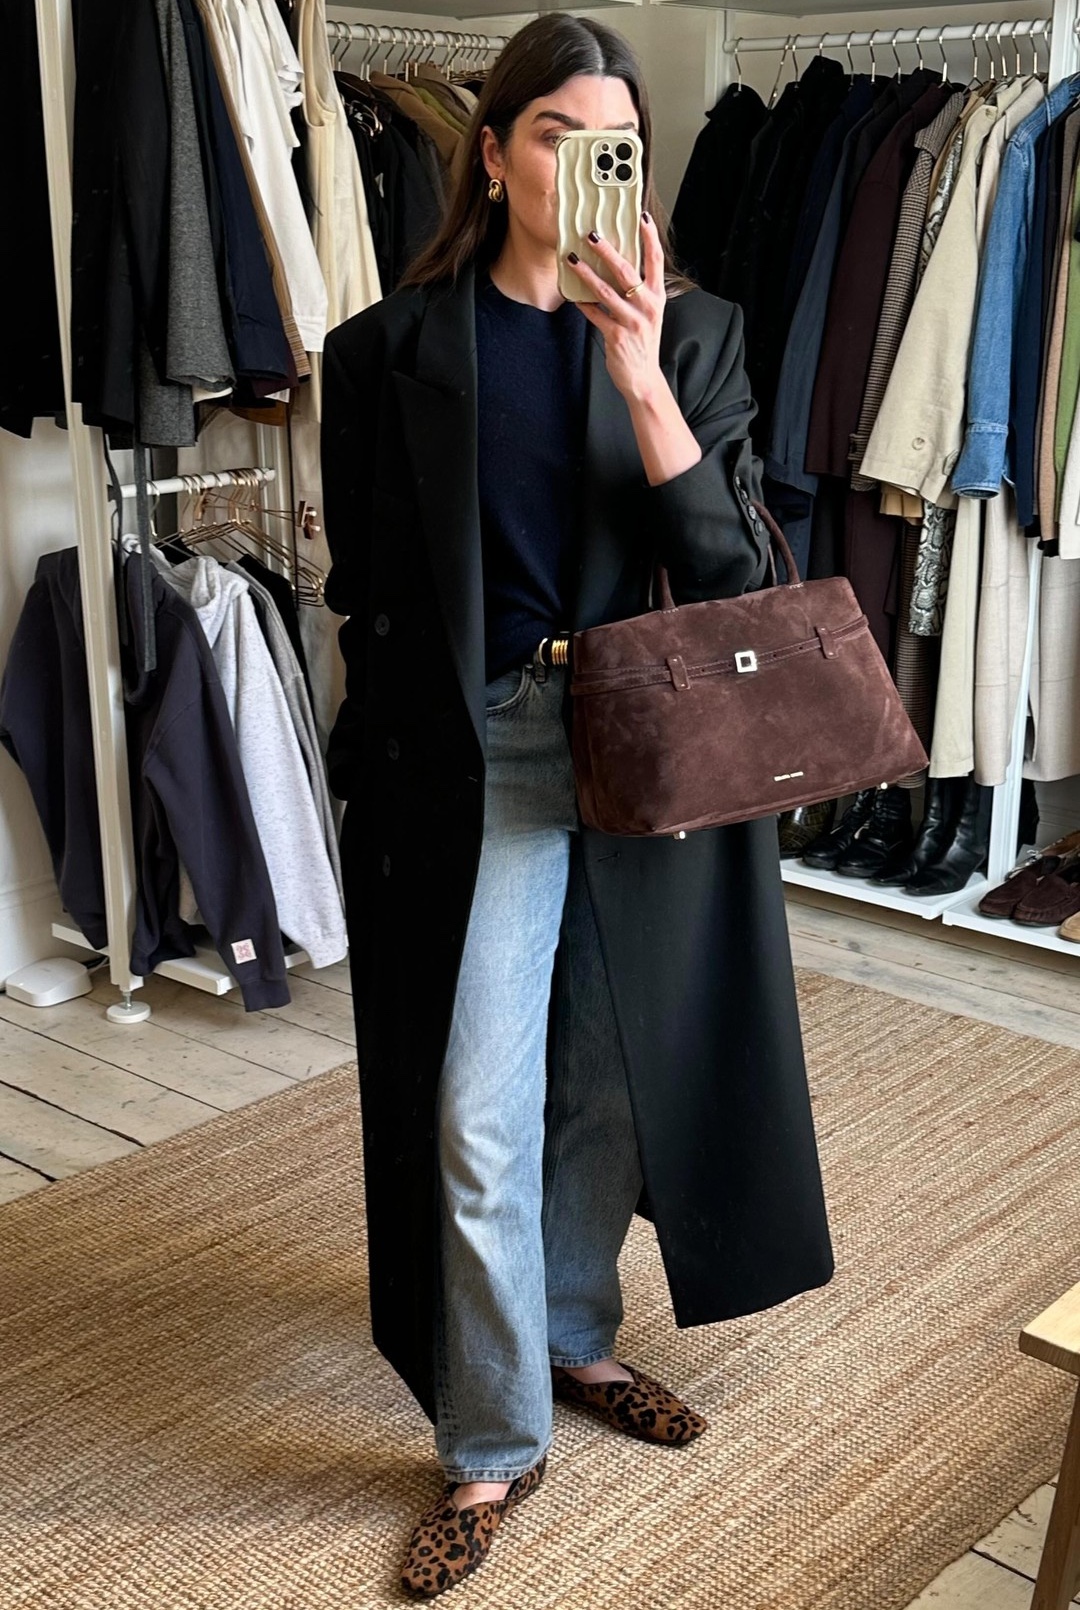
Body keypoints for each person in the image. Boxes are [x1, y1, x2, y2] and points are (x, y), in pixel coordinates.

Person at [320, 13, 834, 1599]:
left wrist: (636, 362)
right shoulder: (389, 352)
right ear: (491, 152)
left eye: (617, 140)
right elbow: (367, 591)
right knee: (475, 1106)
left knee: (608, 1095)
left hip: (654, 739)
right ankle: (490, 1438)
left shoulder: (697, 333)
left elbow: (744, 572)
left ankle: (572, 1336)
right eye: (557, 135)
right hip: (481, 750)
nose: (588, 163)